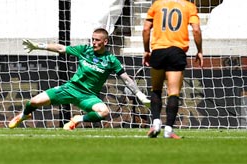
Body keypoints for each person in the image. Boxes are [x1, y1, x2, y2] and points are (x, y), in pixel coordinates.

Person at [8, 28, 150, 130]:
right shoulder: (84, 50)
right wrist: (38, 46)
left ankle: (77, 119)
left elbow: (126, 79)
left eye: (97, 40)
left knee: (104, 112)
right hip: (70, 89)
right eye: (92, 39)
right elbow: (61, 48)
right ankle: (24, 115)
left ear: (105, 42)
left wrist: (139, 94)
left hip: (88, 96)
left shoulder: (111, 60)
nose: (93, 42)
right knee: (34, 101)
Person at [142, 0, 203, 139]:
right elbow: (196, 30)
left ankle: (155, 123)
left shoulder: (158, 4)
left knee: (155, 89)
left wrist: (147, 50)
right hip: (176, 51)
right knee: (173, 92)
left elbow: (146, 29)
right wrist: (199, 50)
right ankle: (168, 129)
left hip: (159, 50)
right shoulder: (189, 6)